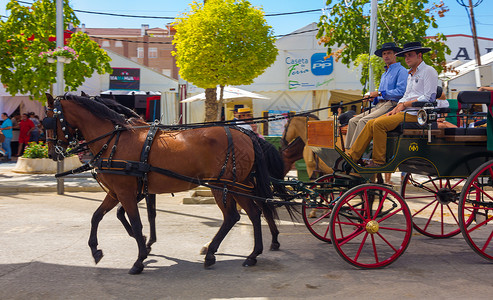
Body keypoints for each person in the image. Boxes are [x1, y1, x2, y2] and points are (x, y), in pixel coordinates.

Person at [347, 41, 439, 168]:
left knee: (378, 124)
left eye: (410, 55)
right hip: (405, 111)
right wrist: (397, 108)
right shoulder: (410, 74)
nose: (407, 59)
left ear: (419, 55)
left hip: (419, 114)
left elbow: (429, 97)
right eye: (405, 56)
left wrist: (404, 104)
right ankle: (351, 156)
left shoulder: (429, 71)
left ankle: (378, 161)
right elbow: (405, 95)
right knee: (370, 123)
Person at [345, 42, 408, 150]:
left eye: (389, 53)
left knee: (364, 121)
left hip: (392, 105)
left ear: (395, 54)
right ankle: (348, 150)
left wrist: (379, 93)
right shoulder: (385, 73)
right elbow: (381, 94)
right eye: (384, 54)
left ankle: (355, 153)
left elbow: (401, 92)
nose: (386, 56)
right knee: (352, 121)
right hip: (379, 105)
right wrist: (373, 97)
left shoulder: (401, 70)